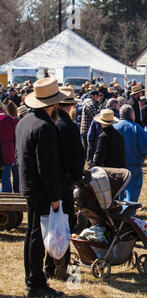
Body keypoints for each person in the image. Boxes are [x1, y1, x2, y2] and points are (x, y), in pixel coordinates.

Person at [15, 78, 68, 298]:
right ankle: (36, 282)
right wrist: (55, 196)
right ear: (53, 104)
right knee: (37, 235)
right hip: (41, 189)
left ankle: (32, 277)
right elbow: (46, 166)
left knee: (32, 233)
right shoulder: (45, 127)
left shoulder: (24, 121)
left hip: (28, 185)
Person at [44, 86, 85, 281]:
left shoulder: (48, 123)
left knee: (50, 226)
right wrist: (78, 177)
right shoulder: (68, 126)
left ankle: (48, 265)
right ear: (69, 106)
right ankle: (61, 266)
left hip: (47, 182)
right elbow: (77, 157)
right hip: (65, 183)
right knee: (64, 227)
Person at [114, 105, 147, 213]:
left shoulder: (114, 127)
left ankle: (118, 214)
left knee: (118, 192)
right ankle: (128, 215)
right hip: (133, 165)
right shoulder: (136, 128)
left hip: (116, 166)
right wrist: (144, 155)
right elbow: (146, 147)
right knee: (131, 192)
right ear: (131, 114)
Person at [86, 98, 121, 166]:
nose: (120, 106)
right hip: (114, 153)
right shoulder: (119, 117)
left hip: (98, 151)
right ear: (116, 106)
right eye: (119, 105)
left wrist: (92, 149)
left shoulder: (98, 117)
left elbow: (90, 136)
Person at [0, 103, 19, 193]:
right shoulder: (11, 120)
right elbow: (17, 136)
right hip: (8, 150)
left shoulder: (10, 120)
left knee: (5, 176)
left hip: (6, 149)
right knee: (6, 176)